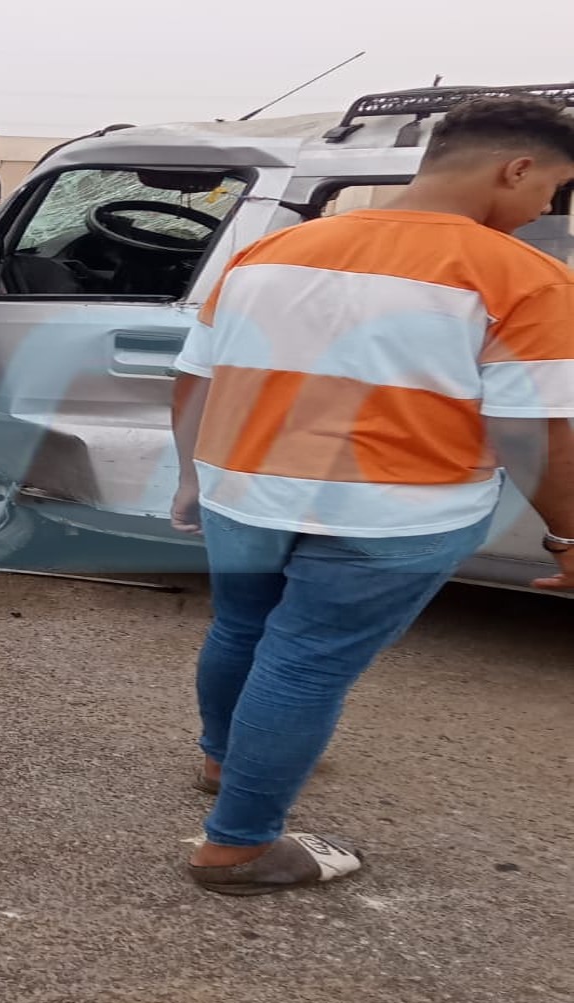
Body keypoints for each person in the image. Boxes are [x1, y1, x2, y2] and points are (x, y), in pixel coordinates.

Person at [170, 94, 574, 896]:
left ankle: (225, 762)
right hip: (392, 512)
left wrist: (190, 475)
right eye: (554, 190)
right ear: (516, 168)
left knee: (244, 628)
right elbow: (531, 433)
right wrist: (566, 534)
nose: (545, 210)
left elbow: (194, 378)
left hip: (241, 488)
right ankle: (239, 847)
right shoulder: (525, 277)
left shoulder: (274, 249)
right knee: (306, 664)